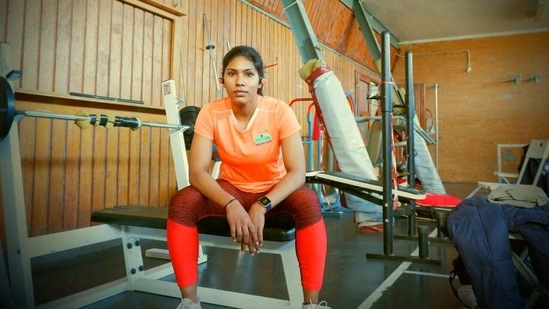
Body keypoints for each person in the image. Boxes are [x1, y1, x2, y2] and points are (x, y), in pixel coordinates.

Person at [167, 45, 329, 309]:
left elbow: (297, 172)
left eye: (248, 74)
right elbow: (197, 173)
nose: (240, 81)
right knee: (183, 202)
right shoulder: (211, 112)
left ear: (260, 81)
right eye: (232, 74)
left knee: (309, 202)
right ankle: (189, 302)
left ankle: (311, 305)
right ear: (223, 80)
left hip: (274, 191)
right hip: (232, 189)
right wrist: (231, 204)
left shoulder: (278, 112)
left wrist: (262, 205)